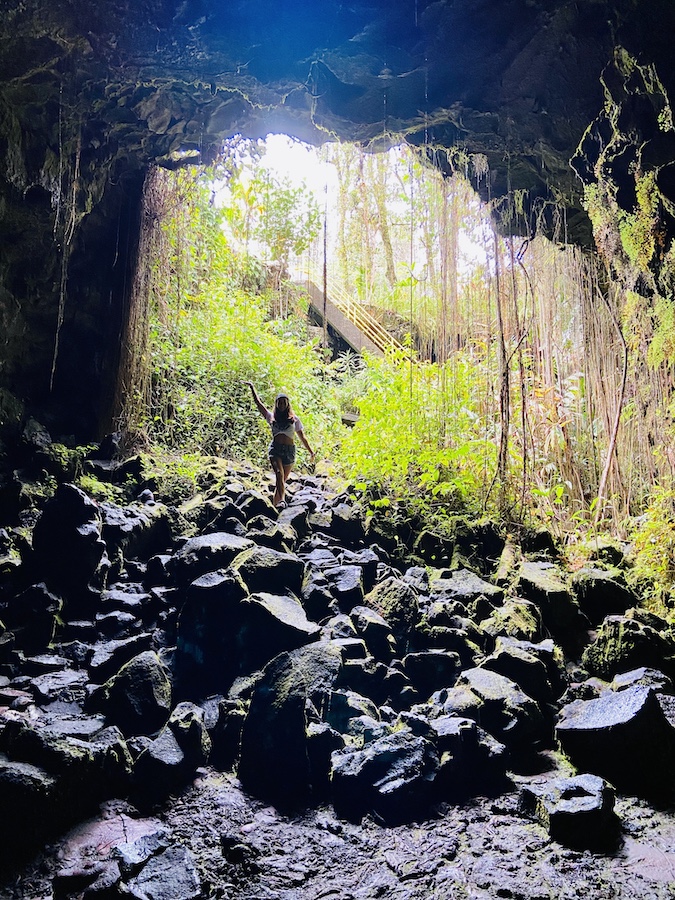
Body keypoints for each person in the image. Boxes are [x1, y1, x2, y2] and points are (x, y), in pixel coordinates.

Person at [245, 382, 315, 508]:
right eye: (279, 402)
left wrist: (311, 452)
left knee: (281, 482)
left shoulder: (294, 420)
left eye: (284, 402)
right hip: (275, 450)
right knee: (278, 473)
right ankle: (282, 500)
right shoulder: (271, 417)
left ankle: (275, 508)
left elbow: (302, 437)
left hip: (289, 451)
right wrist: (252, 388)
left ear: (287, 404)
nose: (282, 405)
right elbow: (258, 404)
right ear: (276, 404)